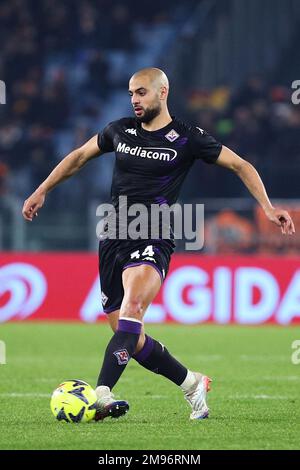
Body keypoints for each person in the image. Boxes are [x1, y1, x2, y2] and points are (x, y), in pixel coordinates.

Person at [22, 68, 295, 421]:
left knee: (133, 309)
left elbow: (240, 165)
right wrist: (42, 189)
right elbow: (77, 157)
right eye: (131, 94)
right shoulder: (119, 130)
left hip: (155, 231)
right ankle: (191, 383)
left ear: (162, 92)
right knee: (128, 336)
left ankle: (102, 393)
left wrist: (268, 208)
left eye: (141, 93)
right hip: (113, 234)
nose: (134, 100)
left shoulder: (187, 137)